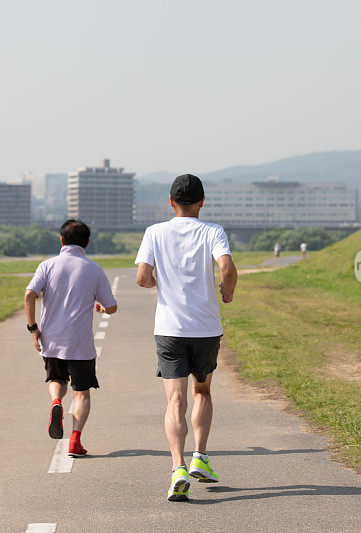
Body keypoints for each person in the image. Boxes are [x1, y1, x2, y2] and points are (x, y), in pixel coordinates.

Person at [135, 173, 238, 502]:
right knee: (202, 391)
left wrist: (159, 284)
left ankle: (178, 467)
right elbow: (228, 269)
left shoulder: (155, 232)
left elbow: (142, 278)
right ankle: (200, 457)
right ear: (202, 202)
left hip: (169, 329)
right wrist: (228, 293)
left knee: (174, 401)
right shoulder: (212, 231)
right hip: (206, 328)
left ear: (170, 202)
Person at [24, 219, 117, 458]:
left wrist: (34, 328)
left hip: (51, 341)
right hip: (80, 344)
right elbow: (112, 306)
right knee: (82, 392)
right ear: (86, 242)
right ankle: (75, 441)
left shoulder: (47, 265)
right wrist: (102, 308)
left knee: (56, 380)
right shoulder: (94, 268)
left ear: (61, 240)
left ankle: (56, 401)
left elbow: (29, 294)